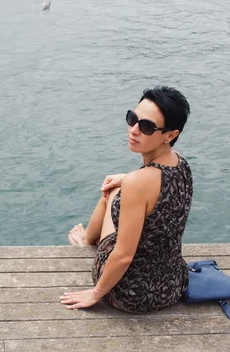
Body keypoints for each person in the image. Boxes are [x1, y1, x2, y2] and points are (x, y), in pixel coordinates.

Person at [61, 86, 192, 313]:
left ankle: (85, 240)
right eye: (133, 119)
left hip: (132, 293)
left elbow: (123, 255)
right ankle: (87, 238)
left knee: (112, 194)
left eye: (146, 126)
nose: (133, 130)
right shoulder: (181, 164)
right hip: (172, 283)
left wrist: (95, 293)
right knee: (117, 187)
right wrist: (126, 179)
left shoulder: (137, 183)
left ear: (170, 135)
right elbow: (159, 187)